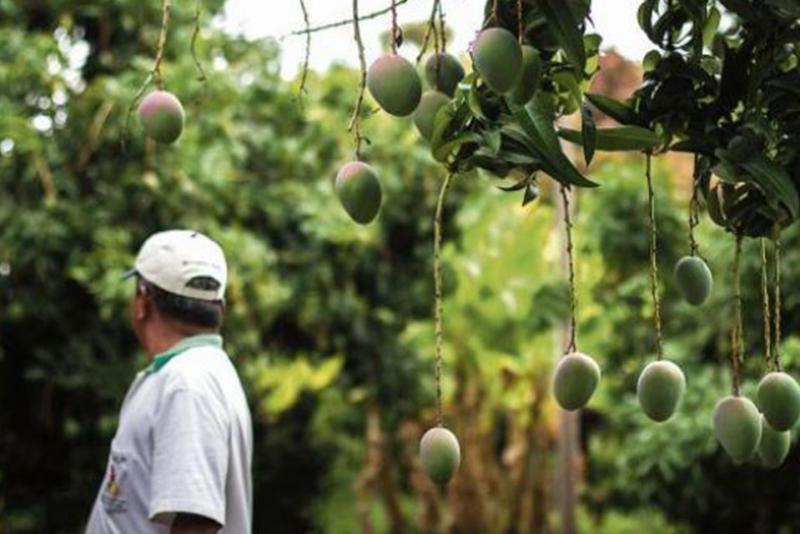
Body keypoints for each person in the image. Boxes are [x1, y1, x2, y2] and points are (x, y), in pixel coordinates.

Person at [86, 230, 253, 534]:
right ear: (221, 311)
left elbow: (196, 524)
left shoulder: (189, 384)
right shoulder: (181, 375)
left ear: (142, 302)